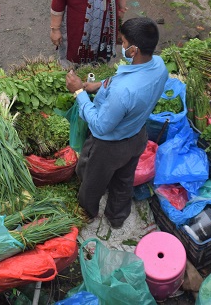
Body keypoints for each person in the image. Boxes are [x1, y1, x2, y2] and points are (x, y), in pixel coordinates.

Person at [65, 17, 168, 227]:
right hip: (138, 136)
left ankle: (88, 213)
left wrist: (78, 92)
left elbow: (100, 126)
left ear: (133, 51)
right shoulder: (159, 66)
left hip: (109, 147)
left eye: (123, 42)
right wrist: (97, 86)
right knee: (124, 181)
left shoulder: (123, 92)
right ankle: (117, 217)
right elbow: (124, 79)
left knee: (92, 183)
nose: (121, 46)